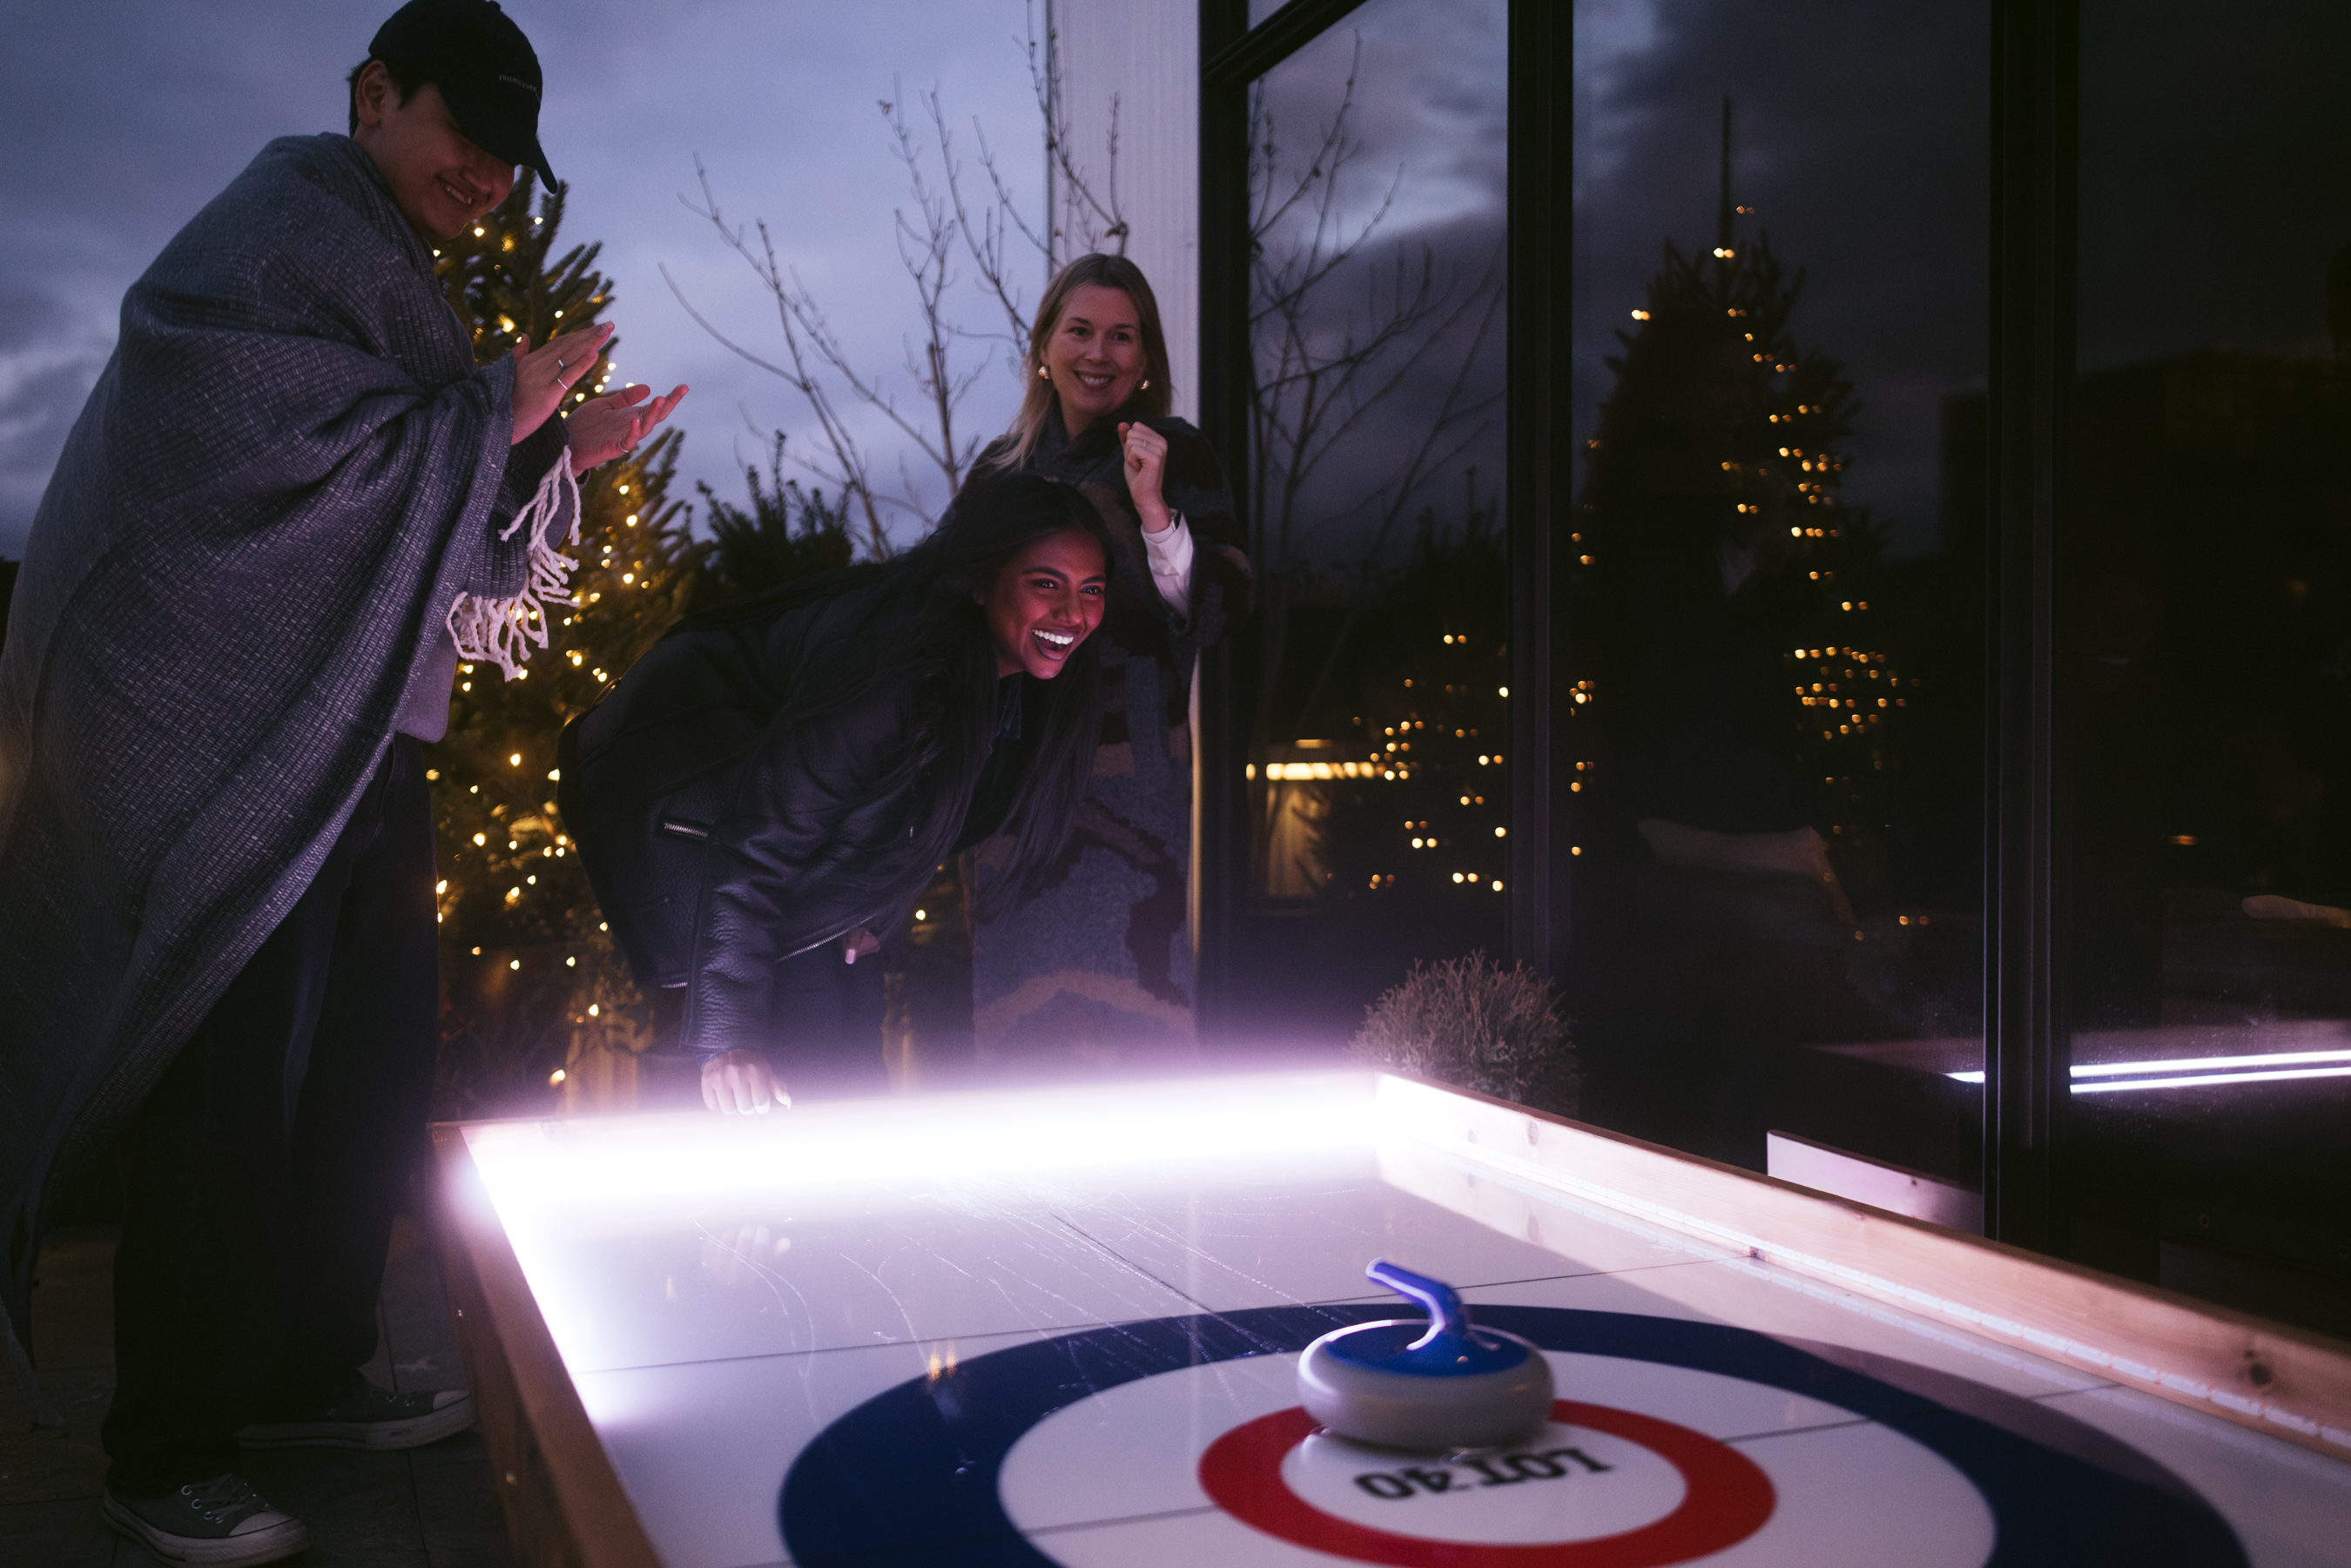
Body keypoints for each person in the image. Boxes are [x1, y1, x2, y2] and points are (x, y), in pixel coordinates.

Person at [0, 3, 686, 1563]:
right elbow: (245, 465)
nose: (493, 180)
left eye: (516, 160)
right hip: (239, 749)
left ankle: (306, 1370)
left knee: (365, 1086)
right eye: (471, 138)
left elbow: (393, 496)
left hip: (368, 741)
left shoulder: (386, 275)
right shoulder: (267, 236)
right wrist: (492, 418)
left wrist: (548, 453)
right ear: (377, 95)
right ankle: (163, 1445)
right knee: (228, 1097)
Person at [561, 472, 1114, 1114]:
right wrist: (727, 1038)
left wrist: (875, 908)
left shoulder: (1019, 693)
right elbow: (755, 839)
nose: (1073, 614)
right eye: (1046, 583)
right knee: (797, 1086)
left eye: (1092, 590)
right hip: (687, 829)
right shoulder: (893, 670)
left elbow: (925, 816)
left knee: (851, 1084)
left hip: (798, 870)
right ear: (982, 580)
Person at [962, 255, 1250, 1066]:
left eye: (1122, 336)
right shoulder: (999, 471)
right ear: (1043, 347)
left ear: (1147, 356)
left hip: (1129, 790)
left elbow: (1220, 610)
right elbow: (945, 618)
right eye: (1080, 330)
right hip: (1009, 792)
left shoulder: (1178, 454)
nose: (1099, 353)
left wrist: (1155, 509)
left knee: (1139, 1026)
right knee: (1017, 1042)